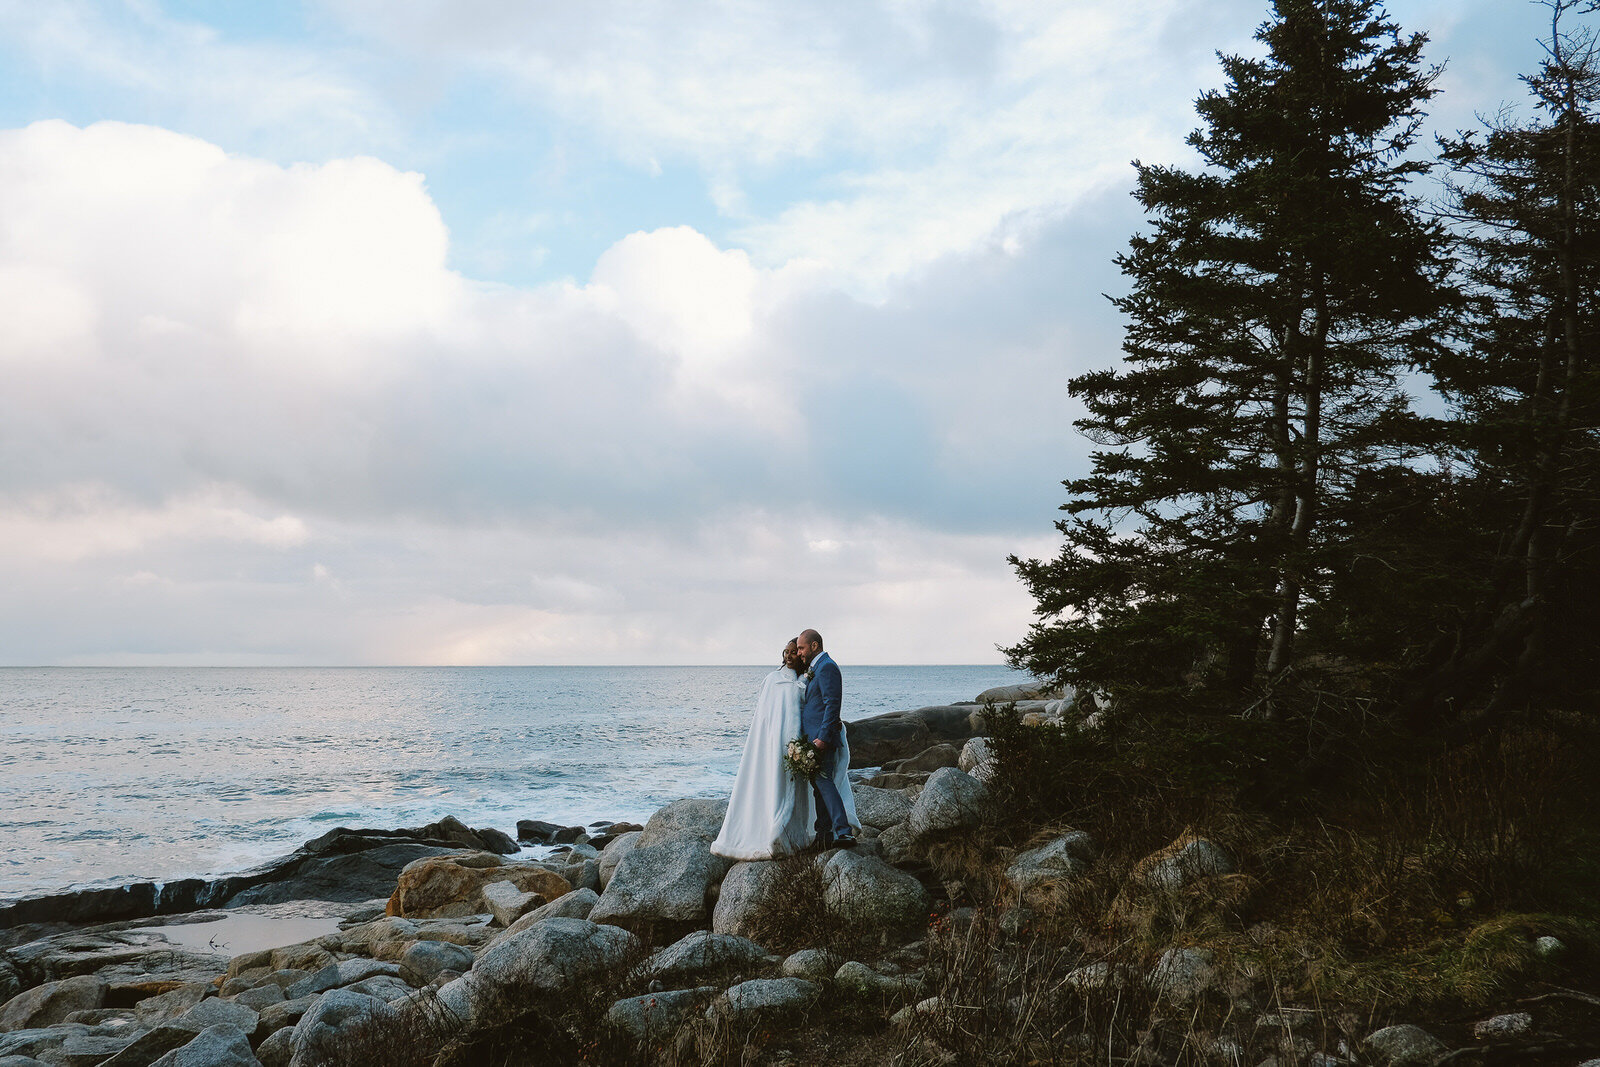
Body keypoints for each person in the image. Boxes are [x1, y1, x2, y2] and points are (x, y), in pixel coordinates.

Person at [710, 640, 816, 859]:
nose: (788, 656)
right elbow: (765, 718)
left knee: (799, 791)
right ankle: (773, 835)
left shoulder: (807, 679)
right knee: (776, 787)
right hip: (776, 745)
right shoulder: (772, 680)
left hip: (800, 746)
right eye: (785, 652)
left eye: (793, 652)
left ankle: (796, 838)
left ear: (801, 654)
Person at [795, 628, 859, 848]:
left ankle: (844, 832)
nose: (799, 652)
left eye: (802, 648)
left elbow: (833, 704)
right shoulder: (816, 668)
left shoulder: (827, 667)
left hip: (821, 739)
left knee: (824, 782)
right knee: (819, 787)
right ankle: (823, 835)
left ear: (814, 645)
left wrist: (822, 738)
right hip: (812, 739)